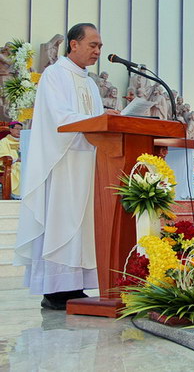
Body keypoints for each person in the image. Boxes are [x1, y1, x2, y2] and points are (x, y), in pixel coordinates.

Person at [14, 23, 117, 310]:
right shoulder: (54, 75)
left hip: (87, 163)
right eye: (93, 45)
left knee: (82, 226)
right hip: (62, 162)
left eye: (100, 46)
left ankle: (74, 285)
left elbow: (92, 120)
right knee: (62, 222)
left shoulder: (90, 83)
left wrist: (108, 118)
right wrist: (100, 120)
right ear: (74, 44)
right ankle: (54, 289)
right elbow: (60, 117)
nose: (98, 51)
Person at [0, 121, 23, 198]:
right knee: (19, 169)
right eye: (17, 129)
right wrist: (16, 159)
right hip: (11, 164)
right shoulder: (4, 141)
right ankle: (17, 196)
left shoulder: (25, 140)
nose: (19, 131)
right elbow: (2, 155)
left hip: (26, 163)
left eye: (21, 129)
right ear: (11, 129)